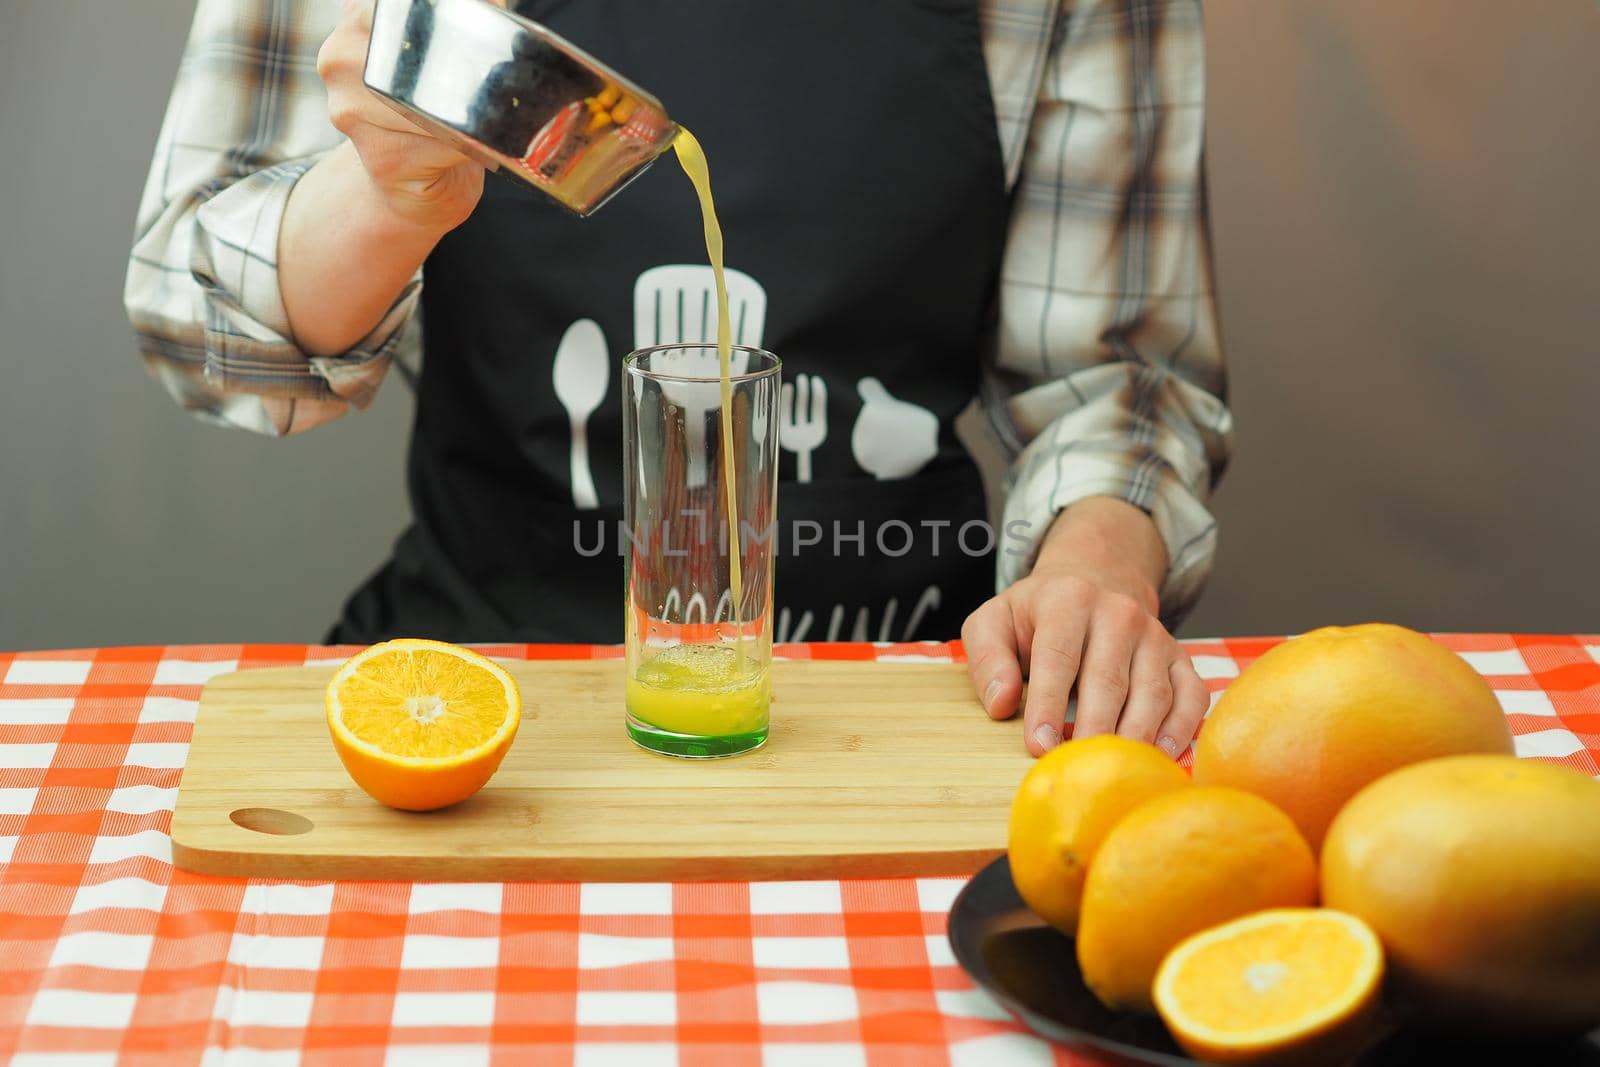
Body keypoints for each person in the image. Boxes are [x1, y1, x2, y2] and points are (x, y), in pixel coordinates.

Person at [126, 0, 1233, 758]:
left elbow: (1118, 374)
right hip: (480, 691)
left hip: (911, 697)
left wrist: (1099, 567)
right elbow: (203, 329)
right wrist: (390, 197)